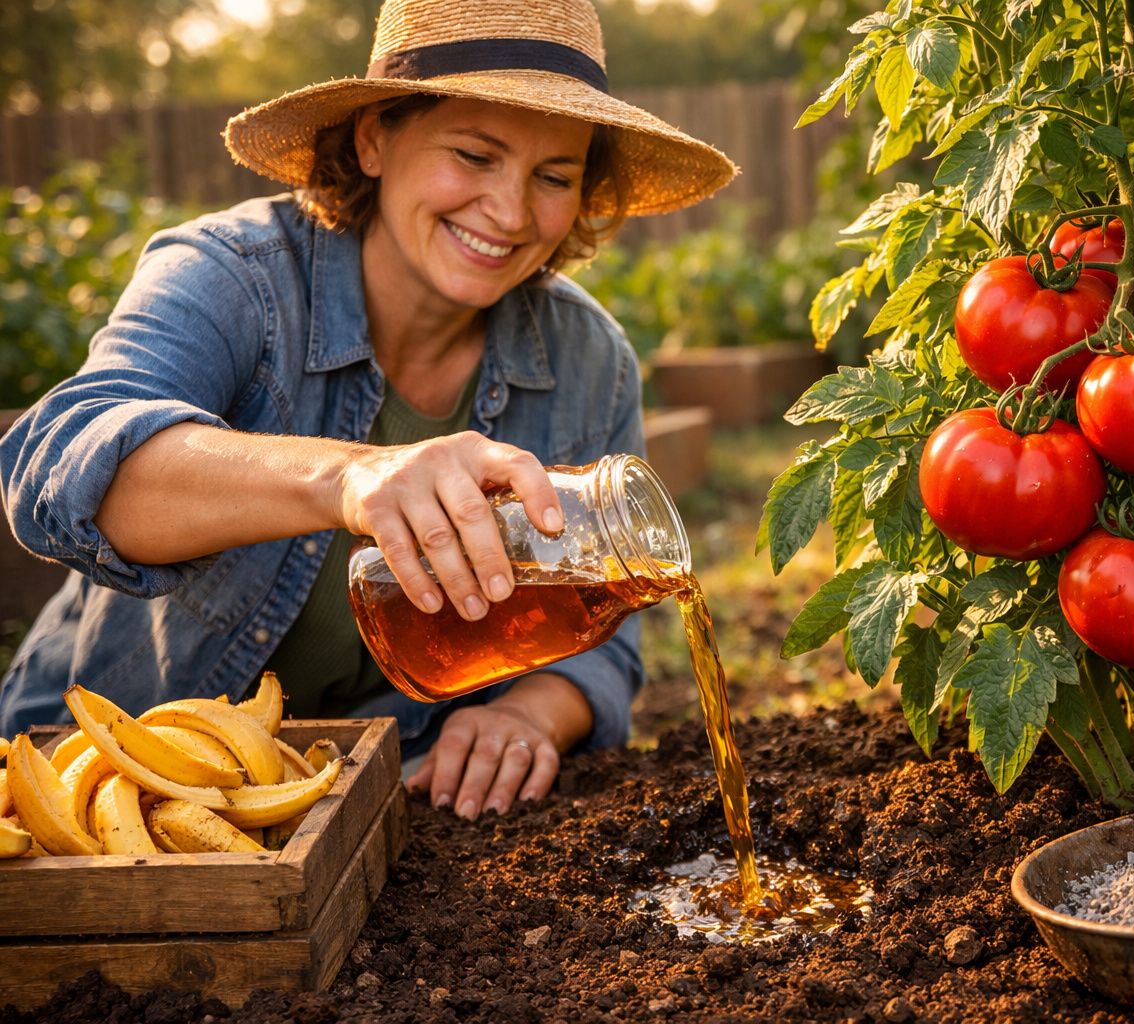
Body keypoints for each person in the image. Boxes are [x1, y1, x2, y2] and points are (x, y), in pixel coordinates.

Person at [0, 0, 736, 821]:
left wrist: (530, 714)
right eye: (474, 155)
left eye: (554, 177)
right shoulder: (234, 279)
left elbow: (610, 637)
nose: (512, 211)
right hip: (108, 798)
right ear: (374, 138)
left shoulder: (588, 363)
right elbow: (61, 467)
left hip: (390, 806)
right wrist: (351, 478)